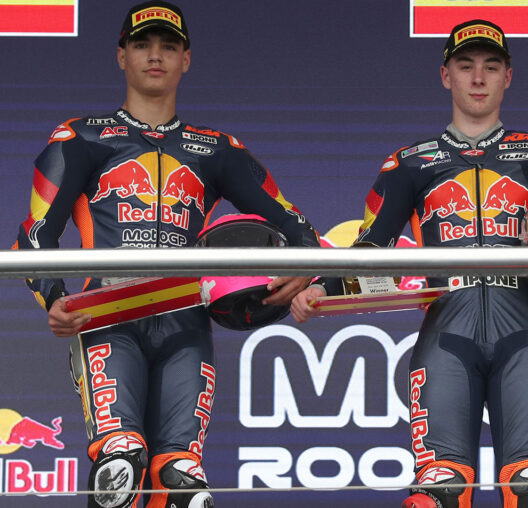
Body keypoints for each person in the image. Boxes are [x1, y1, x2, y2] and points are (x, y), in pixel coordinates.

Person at [290, 19, 528, 508]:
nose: (478, 78)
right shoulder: (409, 165)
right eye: (466, 66)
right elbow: (370, 250)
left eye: (490, 66)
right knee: (437, 491)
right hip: (446, 337)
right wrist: (324, 290)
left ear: (508, 77)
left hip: (525, 333)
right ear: (446, 76)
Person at [14, 2, 320, 506]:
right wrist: (51, 296)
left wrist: (298, 270)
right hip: (107, 316)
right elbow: (34, 234)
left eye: (168, 46)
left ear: (186, 59)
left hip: (186, 323)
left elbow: (294, 224)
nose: (155, 55)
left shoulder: (216, 148)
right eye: (142, 44)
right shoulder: (81, 136)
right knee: (119, 462)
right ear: (121, 56)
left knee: (182, 479)